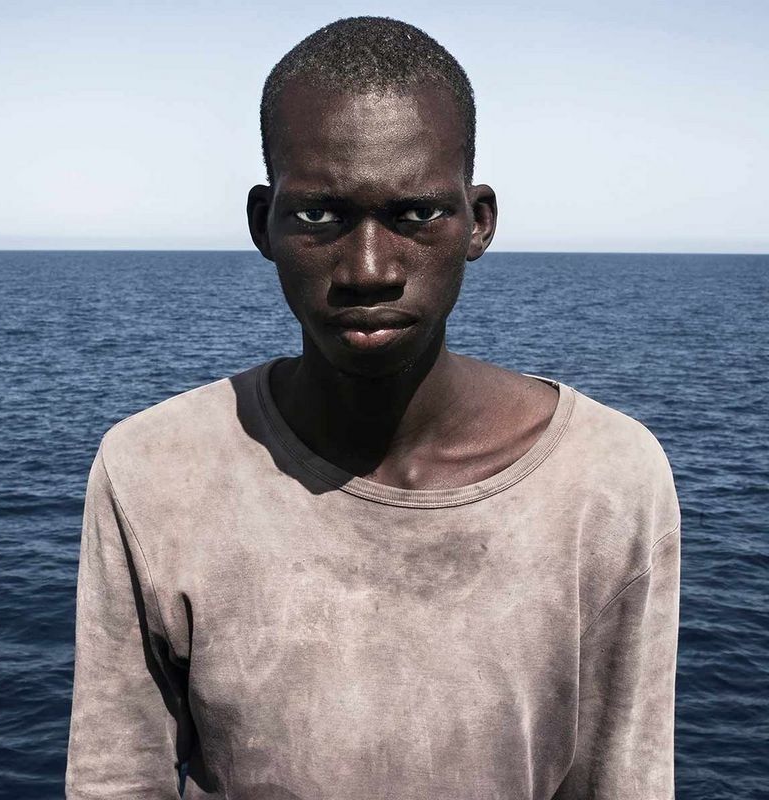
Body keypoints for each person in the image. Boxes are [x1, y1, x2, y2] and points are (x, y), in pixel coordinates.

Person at [66, 16, 680, 800]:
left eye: (417, 214)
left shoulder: (609, 478)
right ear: (264, 224)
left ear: (478, 222)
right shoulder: (153, 470)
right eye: (319, 215)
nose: (367, 268)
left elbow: (624, 781)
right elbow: (116, 781)